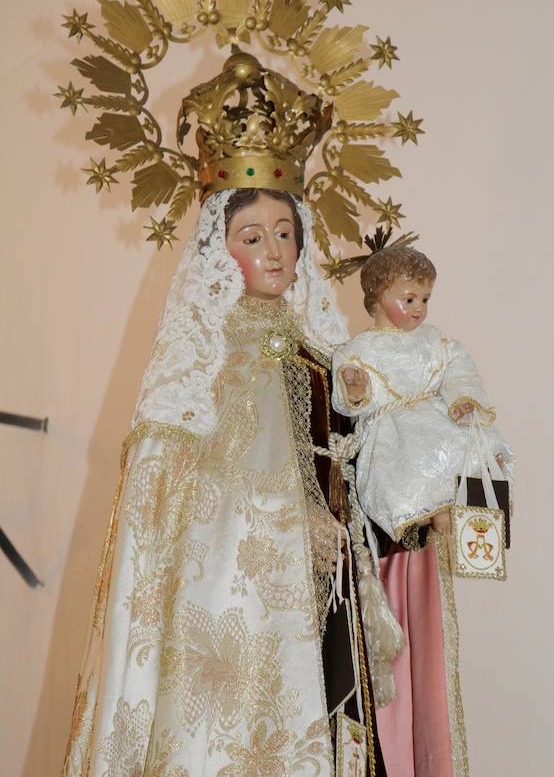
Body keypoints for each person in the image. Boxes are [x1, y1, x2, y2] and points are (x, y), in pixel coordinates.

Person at [62, 186, 389, 776]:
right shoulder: (201, 356)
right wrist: (300, 518)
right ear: (219, 251)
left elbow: (354, 463)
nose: (275, 251)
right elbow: (196, 481)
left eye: (286, 232)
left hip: (324, 584)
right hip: (227, 590)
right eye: (253, 236)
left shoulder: (324, 353)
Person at [331, 244, 514, 777]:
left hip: (433, 425)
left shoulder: (436, 343)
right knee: (405, 461)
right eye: (408, 298)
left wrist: (461, 399)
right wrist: (358, 390)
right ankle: (426, 515)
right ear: (376, 296)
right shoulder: (360, 347)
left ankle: (460, 509)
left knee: (472, 444)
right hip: (394, 434)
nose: (418, 309)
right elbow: (349, 392)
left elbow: (460, 368)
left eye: (425, 299)